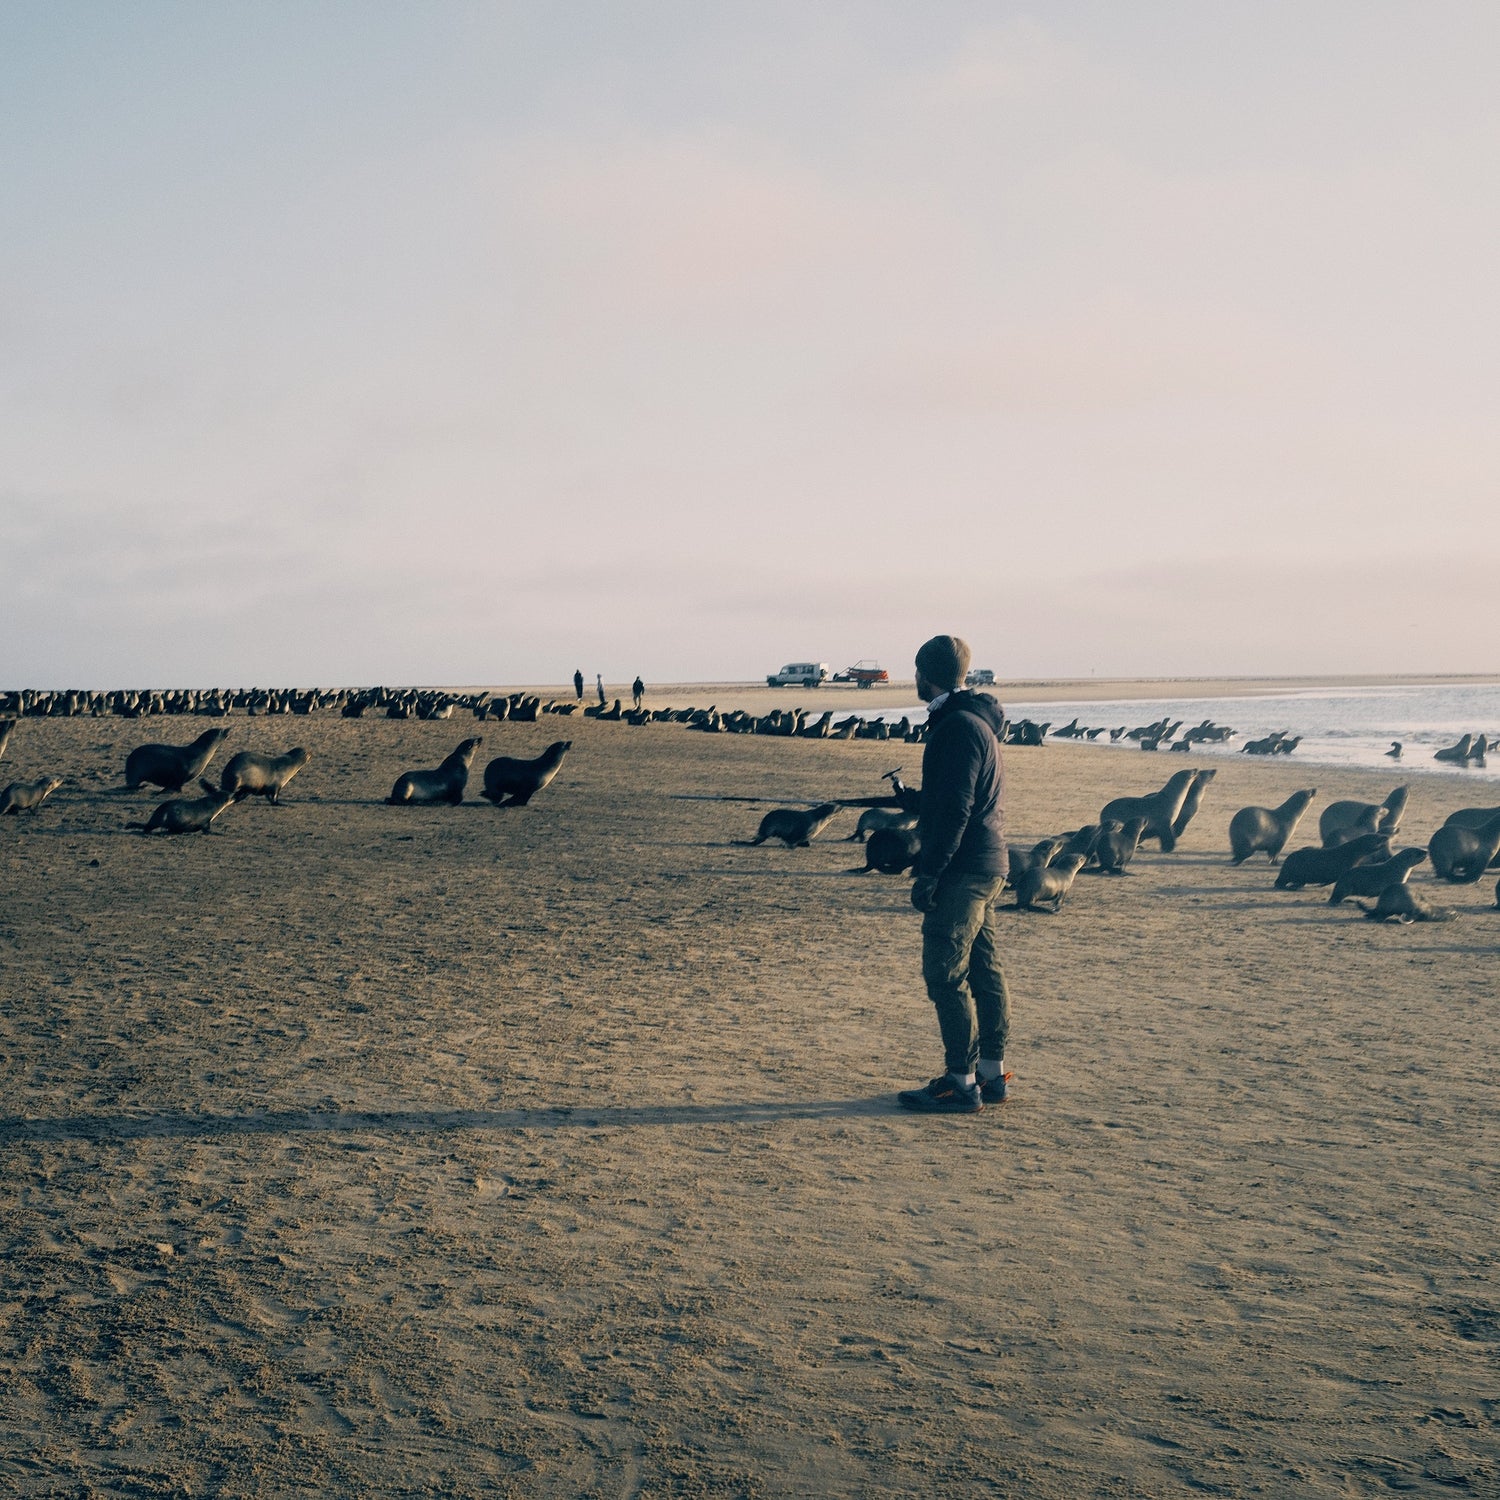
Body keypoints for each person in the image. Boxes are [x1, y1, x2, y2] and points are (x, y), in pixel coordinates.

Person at [896, 634, 1011, 1114]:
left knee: (945, 975)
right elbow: (952, 799)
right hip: (988, 863)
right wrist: (917, 802)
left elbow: (957, 809)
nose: (915, 680)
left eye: (917, 671)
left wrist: (929, 872)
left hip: (965, 867)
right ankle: (990, 1074)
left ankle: (961, 1084)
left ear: (927, 673)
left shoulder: (957, 727)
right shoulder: (974, 721)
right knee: (984, 971)